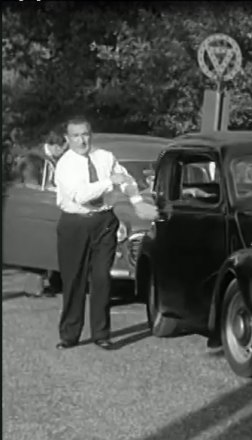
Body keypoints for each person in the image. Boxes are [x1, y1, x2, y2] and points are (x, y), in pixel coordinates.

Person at [53, 116, 157, 350]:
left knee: (101, 278)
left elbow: (126, 179)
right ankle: (70, 334)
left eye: (86, 134)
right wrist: (109, 182)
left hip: (104, 221)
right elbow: (81, 195)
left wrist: (137, 200)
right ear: (67, 139)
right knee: (74, 280)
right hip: (75, 222)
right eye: (76, 136)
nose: (82, 140)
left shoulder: (105, 157)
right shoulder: (66, 164)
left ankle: (102, 333)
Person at [15, 130, 68, 297]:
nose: (64, 152)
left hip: (48, 203)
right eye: (62, 148)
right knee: (37, 246)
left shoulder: (51, 160)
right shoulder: (33, 160)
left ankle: (54, 283)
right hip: (34, 205)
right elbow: (31, 184)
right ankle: (33, 288)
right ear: (54, 146)